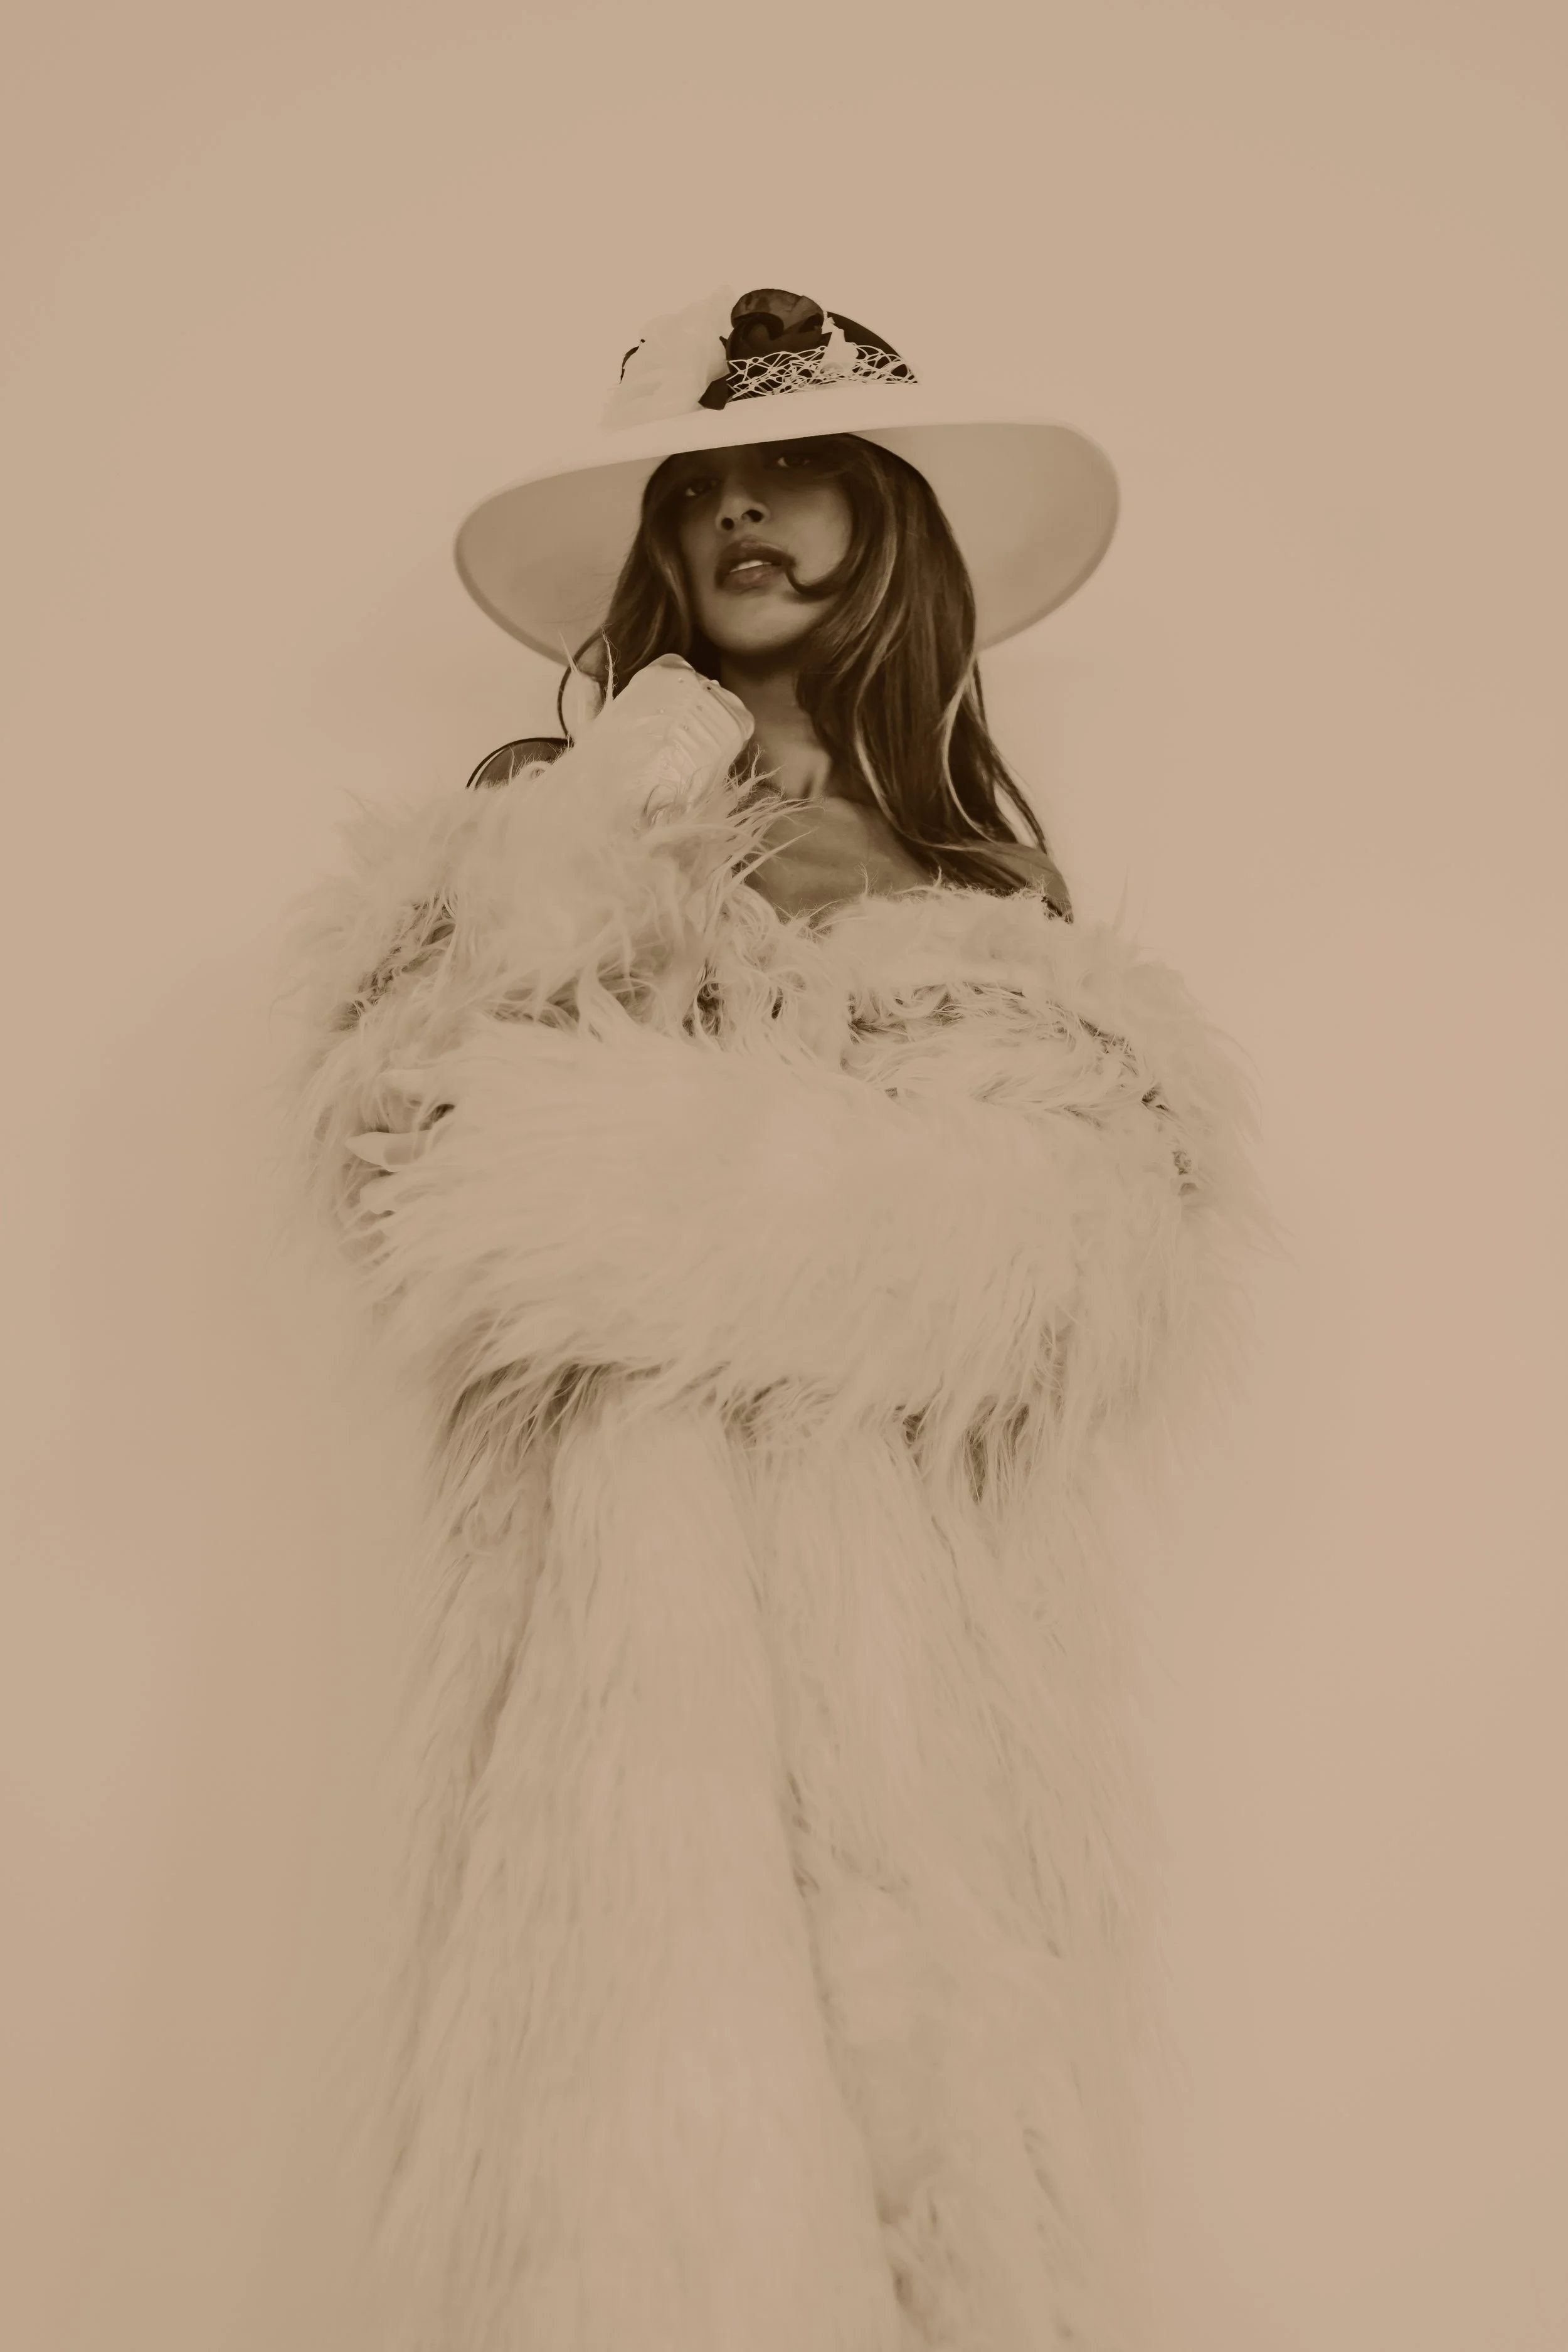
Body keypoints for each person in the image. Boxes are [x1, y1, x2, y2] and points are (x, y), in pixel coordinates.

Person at [288, 286, 1263, 2352]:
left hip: (920, 1651)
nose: (740, 509)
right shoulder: (545, 837)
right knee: (642, 2191)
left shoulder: (985, 899)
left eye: (792, 467)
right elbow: (419, 1155)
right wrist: (623, 790)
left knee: (940, 2183)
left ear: (881, 514)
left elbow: (1065, 1247)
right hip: (621, 1627)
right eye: (698, 483)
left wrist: (662, 1193)